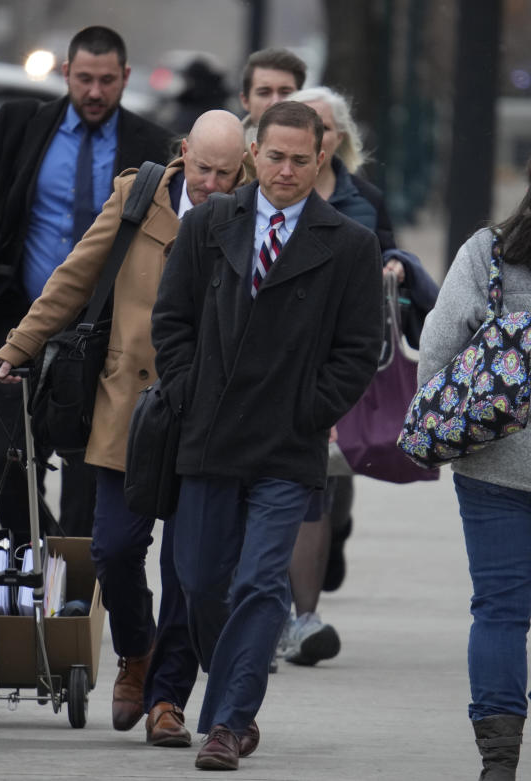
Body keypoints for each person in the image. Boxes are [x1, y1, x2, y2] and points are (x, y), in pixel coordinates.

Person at [0, 110, 247, 746]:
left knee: (191, 568)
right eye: (205, 168)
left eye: (226, 172)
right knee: (112, 548)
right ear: (185, 152)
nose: (213, 183)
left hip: (206, 416)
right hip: (128, 407)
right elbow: (76, 274)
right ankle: (136, 650)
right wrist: (20, 346)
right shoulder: (140, 195)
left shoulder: (251, 218)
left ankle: (166, 698)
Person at [151, 100, 383, 771]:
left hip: (287, 443)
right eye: (274, 156)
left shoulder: (348, 245)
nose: (285, 170)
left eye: (299, 159)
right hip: (209, 435)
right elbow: (172, 322)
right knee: (197, 580)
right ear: (254, 154)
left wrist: (311, 409)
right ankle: (232, 698)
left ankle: (229, 720)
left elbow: (359, 349)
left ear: (321, 159)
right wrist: (189, 392)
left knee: (259, 583)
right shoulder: (210, 226)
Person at [0, 25, 175, 539]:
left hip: (103, 337)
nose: (94, 92)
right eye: (84, 78)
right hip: (20, 322)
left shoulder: (152, 145)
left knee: (88, 477)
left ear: (125, 78)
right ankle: (44, 551)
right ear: (65, 73)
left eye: (107, 80)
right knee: (5, 463)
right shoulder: (21, 124)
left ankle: (75, 593)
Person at [278, 85, 439, 667]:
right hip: (272, 363)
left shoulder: (362, 198)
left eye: (319, 127)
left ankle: (302, 617)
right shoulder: (266, 192)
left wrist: (393, 264)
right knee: (282, 485)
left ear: (338, 137)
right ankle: (270, 607)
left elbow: (392, 261)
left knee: (318, 483)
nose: (309, 138)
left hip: (338, 364)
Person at [417, 162, 531, 781]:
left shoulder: (487, 254)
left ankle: (499, 759)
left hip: (495, 468)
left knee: (499, 611)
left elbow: (436, 352)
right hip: (499, 475)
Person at [238, 47, 307, 178]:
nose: (276, 102)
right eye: (264, 92)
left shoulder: (320, 153)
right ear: (245, 101)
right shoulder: (226, 150)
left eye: (285, 92)